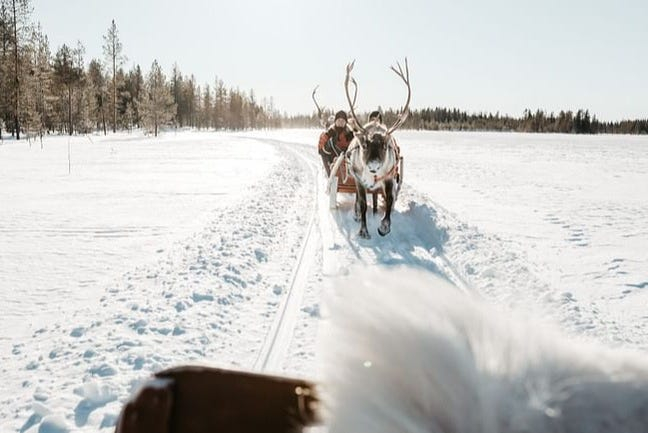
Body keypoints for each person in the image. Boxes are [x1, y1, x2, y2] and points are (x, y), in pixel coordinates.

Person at [318, 110, 354, 176]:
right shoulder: (330, 132)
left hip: (346, 160)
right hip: (331, 158)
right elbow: (321, 146)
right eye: (339, 120)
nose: (340, 123)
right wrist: (327, 145)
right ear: (335, 121)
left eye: (342, 121)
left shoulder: (349, 134)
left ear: (345, 122)